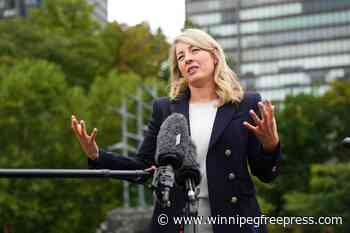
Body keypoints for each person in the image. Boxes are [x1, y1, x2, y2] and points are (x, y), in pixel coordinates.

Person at [71, 28, 282, 233]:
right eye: (181, 57)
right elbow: (143, 167)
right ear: (179, 68)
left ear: (215, 55)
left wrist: (270, 145)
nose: (187, 59)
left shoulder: (246, 103)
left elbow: (265, 174)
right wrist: (97, 155)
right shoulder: (164, 108)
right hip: (176, 221)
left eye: (194, 50)